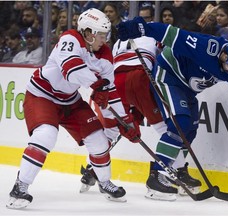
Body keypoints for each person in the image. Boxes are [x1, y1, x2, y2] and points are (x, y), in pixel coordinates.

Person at [116, 16, 228, 200]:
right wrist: (140, 28)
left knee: (191, 128)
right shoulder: (206, 47)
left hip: (186, 87)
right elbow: (170, 34)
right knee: (180, 122)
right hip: (168, 75)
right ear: (224, 54)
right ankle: (155, 176)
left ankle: (177, 171)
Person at [6, 8, 140, 209]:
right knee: (45, 135)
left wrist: (125, 121)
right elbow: (71, 69)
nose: (106, 39)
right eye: (101, 34)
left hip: (70, 100)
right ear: (87, 33)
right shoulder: (70, 38)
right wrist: (97, 84)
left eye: (106, 34)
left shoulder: (105, 56)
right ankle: (20, 186)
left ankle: (104, 183)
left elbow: (111, 92)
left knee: (99, 140)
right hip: (42, 94)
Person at [79, 36, 202, 201]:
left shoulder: (118, 42)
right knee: (169, 130)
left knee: (113, 130)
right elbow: (166, 58)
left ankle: (92, 168)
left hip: (115, 81)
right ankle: (178, 171)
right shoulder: (153, 35)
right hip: (140, 79)